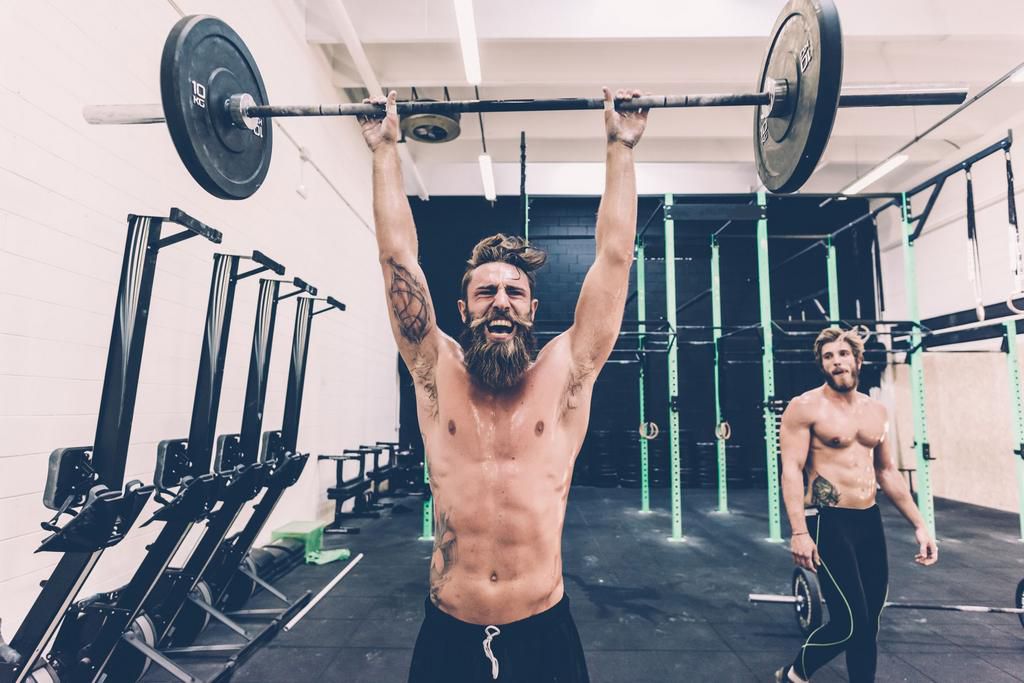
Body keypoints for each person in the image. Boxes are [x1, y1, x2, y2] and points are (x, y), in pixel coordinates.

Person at [358, 88, 649, 683]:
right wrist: (385, 150)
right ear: (463, 309)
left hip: (543, 630)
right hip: (448, 629)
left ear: (533, 307)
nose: (500, 302)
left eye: (514, 292)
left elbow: (615, 257)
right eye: (486, 292)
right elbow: (395, 259)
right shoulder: (434, 372)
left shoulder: (567, 374)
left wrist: (620, 148)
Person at [775, 328, 939, 683]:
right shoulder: (804, 407)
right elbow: (790, 470)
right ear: (821, 365)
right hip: (827, 520)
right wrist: (799, 532)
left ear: (857, 359)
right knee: (849, 623)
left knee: (869, 625)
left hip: (869, 521)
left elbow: (887, 471)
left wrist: (920, 525)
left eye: (843, 354)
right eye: (828, 357)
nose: (837, 362)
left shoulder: (876, 411)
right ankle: (795, 674)